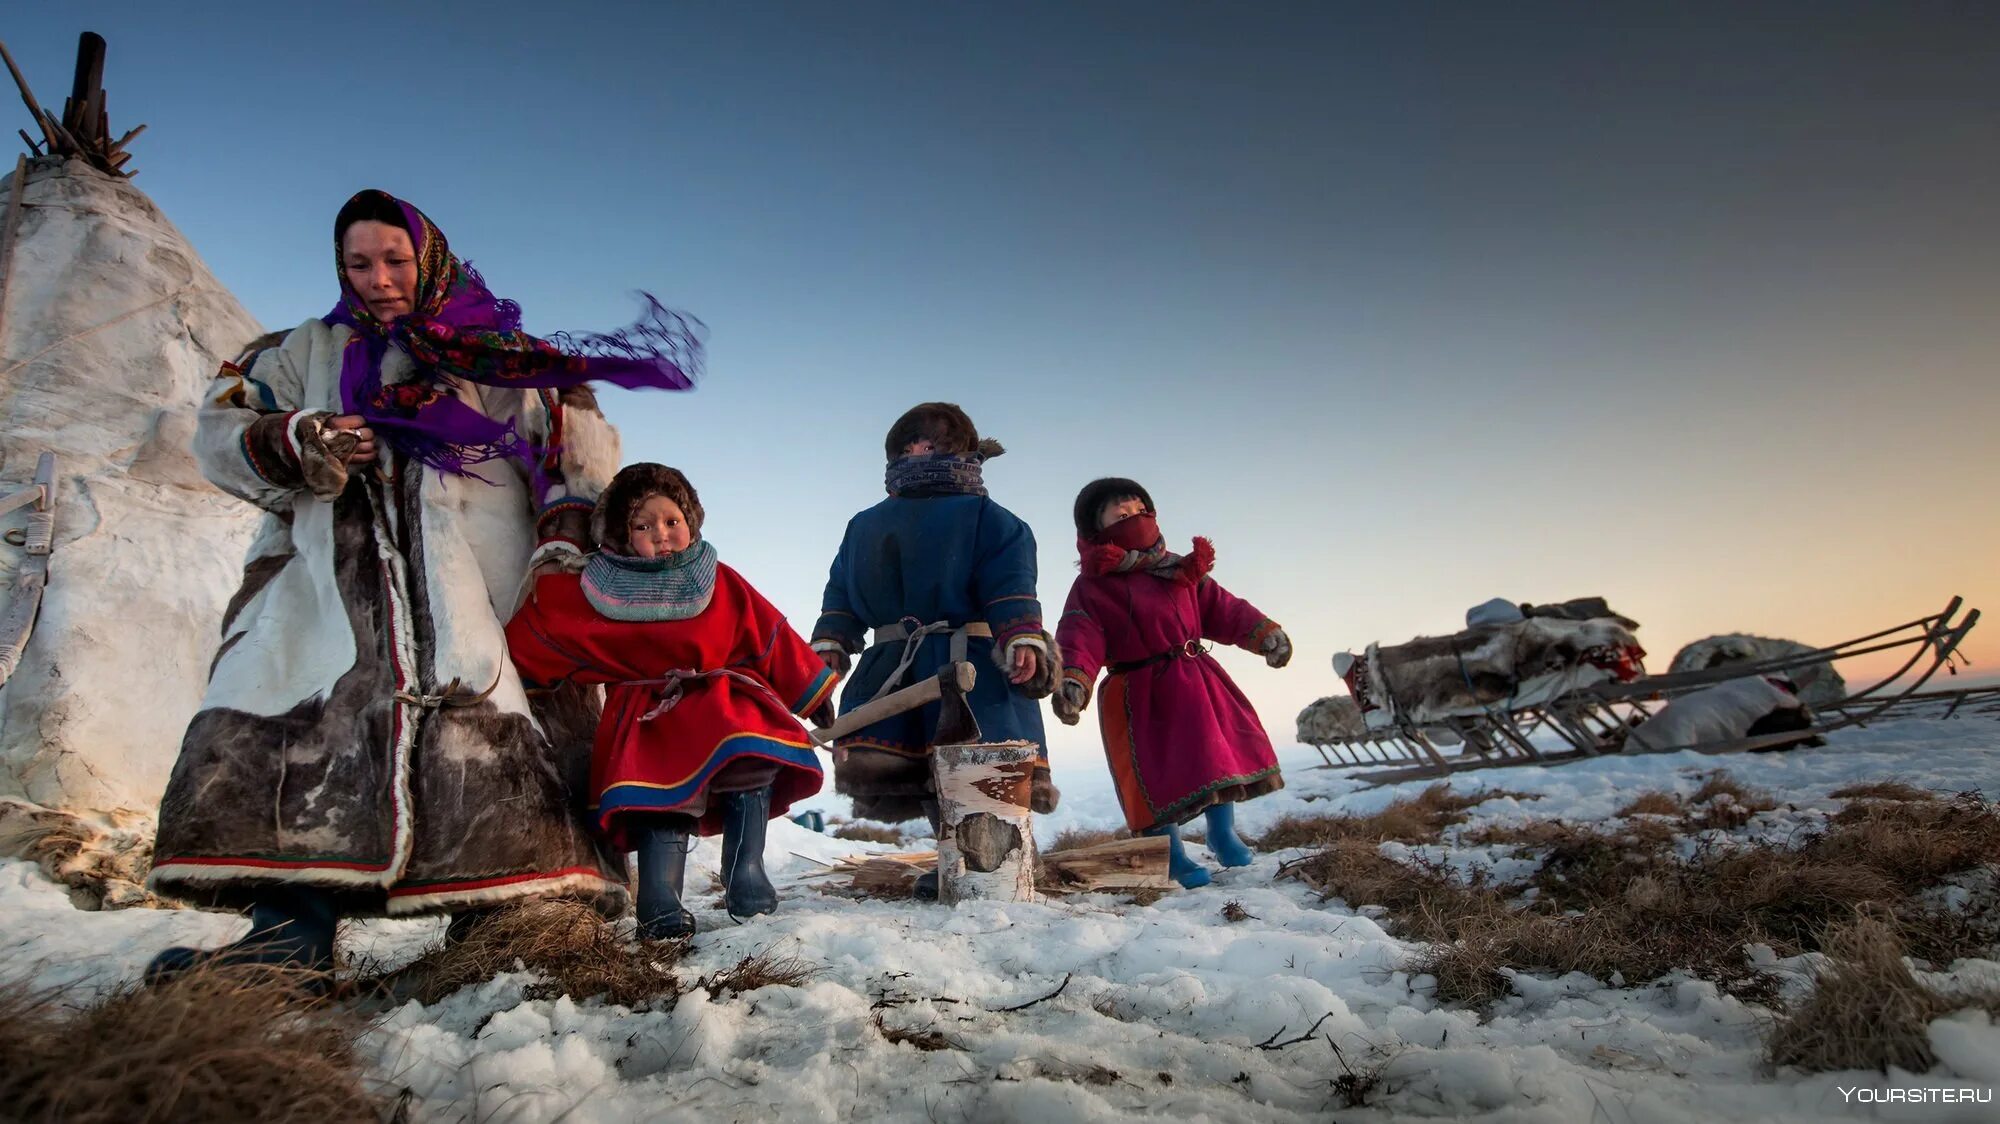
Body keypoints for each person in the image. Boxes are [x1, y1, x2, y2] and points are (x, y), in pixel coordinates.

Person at [144, 189, 700, 979]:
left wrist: (563, 551)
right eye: (358, 263)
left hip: (487, 588)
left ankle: (502, 931)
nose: (378, 279)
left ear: (428, 257)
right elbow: (221, 436)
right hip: (329, 584)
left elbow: (578, 462)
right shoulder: (293, 353)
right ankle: (288, 940)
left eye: (395, 260)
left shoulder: (512, 362)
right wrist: (311, 438)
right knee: (300, 727)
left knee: (498, 743)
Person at [507, 464, 837, 937]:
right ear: (621, 536)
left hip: (719, 702)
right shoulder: (598, 590)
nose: (661, 535)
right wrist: (519, 671)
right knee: (658, 802)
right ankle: (659, 901)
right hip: (648, 718)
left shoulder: (718, 578)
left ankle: (744, 874)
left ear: (691, 522)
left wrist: (812, 689)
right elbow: (553, 628)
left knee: (752, 762)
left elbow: (767, 635)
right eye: (643, 526)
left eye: (671, 521)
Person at [812, 403, 1058, 898]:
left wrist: (1021, 635)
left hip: (974, 666)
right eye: (909, 447)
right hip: (897, 667)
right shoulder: (864, 524)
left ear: (963, 453)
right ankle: (956, 859)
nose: (919, 454)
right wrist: (831, 643)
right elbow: (841, 591)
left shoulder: (994, 519)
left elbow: (1012, 584)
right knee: (923, 772)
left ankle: (1006, 864)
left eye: (934, 446)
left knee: (983, 768)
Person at [1053, 478, 1290, 889]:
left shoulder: (1180, 569)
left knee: (1213, 755)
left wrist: (1263, 633)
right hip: (1138, 693)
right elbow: (1080, 635)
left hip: (1195, 678)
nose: (1135, 519)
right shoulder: (1092, 587)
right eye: (1121, 515)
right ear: (1096, 530)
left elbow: (1223, 608)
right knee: (1154, 775)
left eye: (1140, 510)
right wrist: (1073, 680)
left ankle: (1221, 834)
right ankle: (1171, 856)